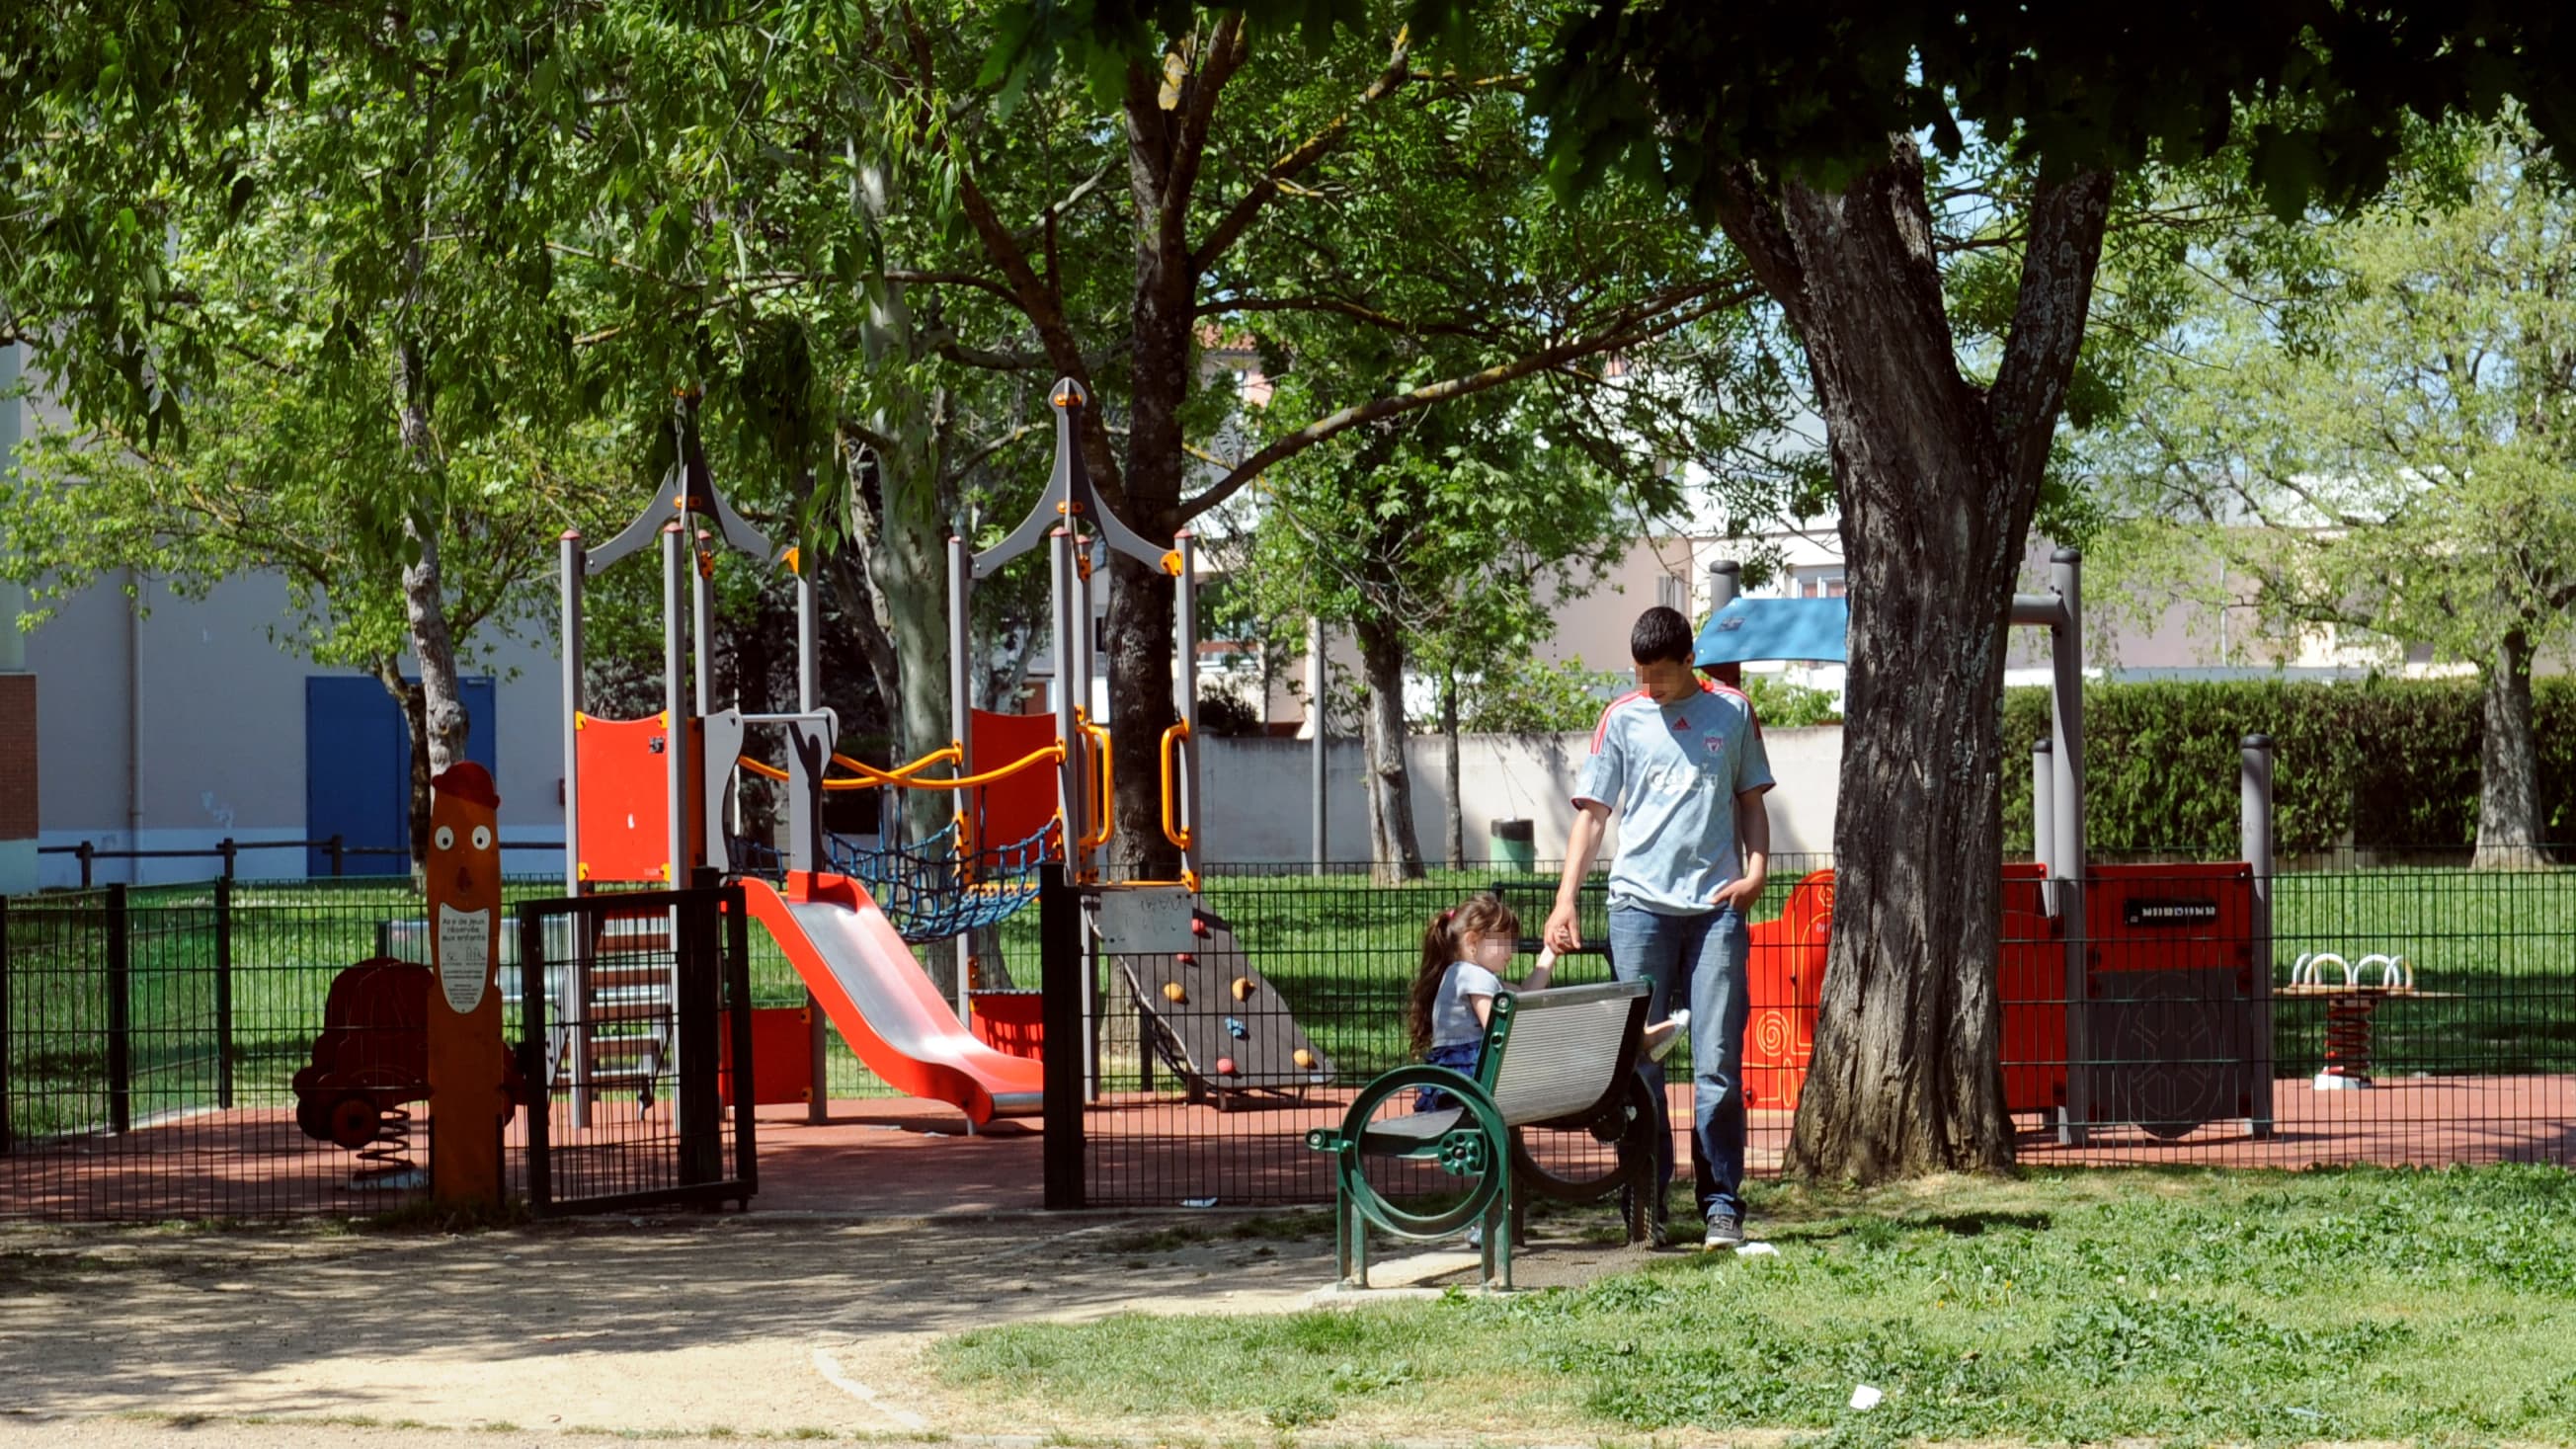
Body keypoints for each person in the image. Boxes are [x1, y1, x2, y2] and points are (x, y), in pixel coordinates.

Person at [1544, 604, 1772, 1251]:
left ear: (1689, 660)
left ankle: (1722, 1207)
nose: (1652, 686)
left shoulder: (1733, 712)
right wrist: (1566, 901)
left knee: (1719, 1063)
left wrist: (1755, 872)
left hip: (1716, 911)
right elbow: (1591, 818)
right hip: (1638, 909)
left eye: (1663, 674)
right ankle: (1647, 1201)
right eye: (1642, 673)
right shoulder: (1621, 717)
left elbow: (1751, 802)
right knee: (1641, 1067)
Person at [1409, 894, 1685, 1112]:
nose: (1512, 952)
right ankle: (1629, 1050)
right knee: (1571, 1041)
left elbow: (1526, 994)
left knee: (1572, 1033)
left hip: (1479, 1069)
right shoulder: (1470, 975)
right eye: (1505, 942)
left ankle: (1630, 1048)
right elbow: (1495, 1029)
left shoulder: (1473, 975)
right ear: (1472, 941)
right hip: (1475, 1073)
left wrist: (1550, 953)